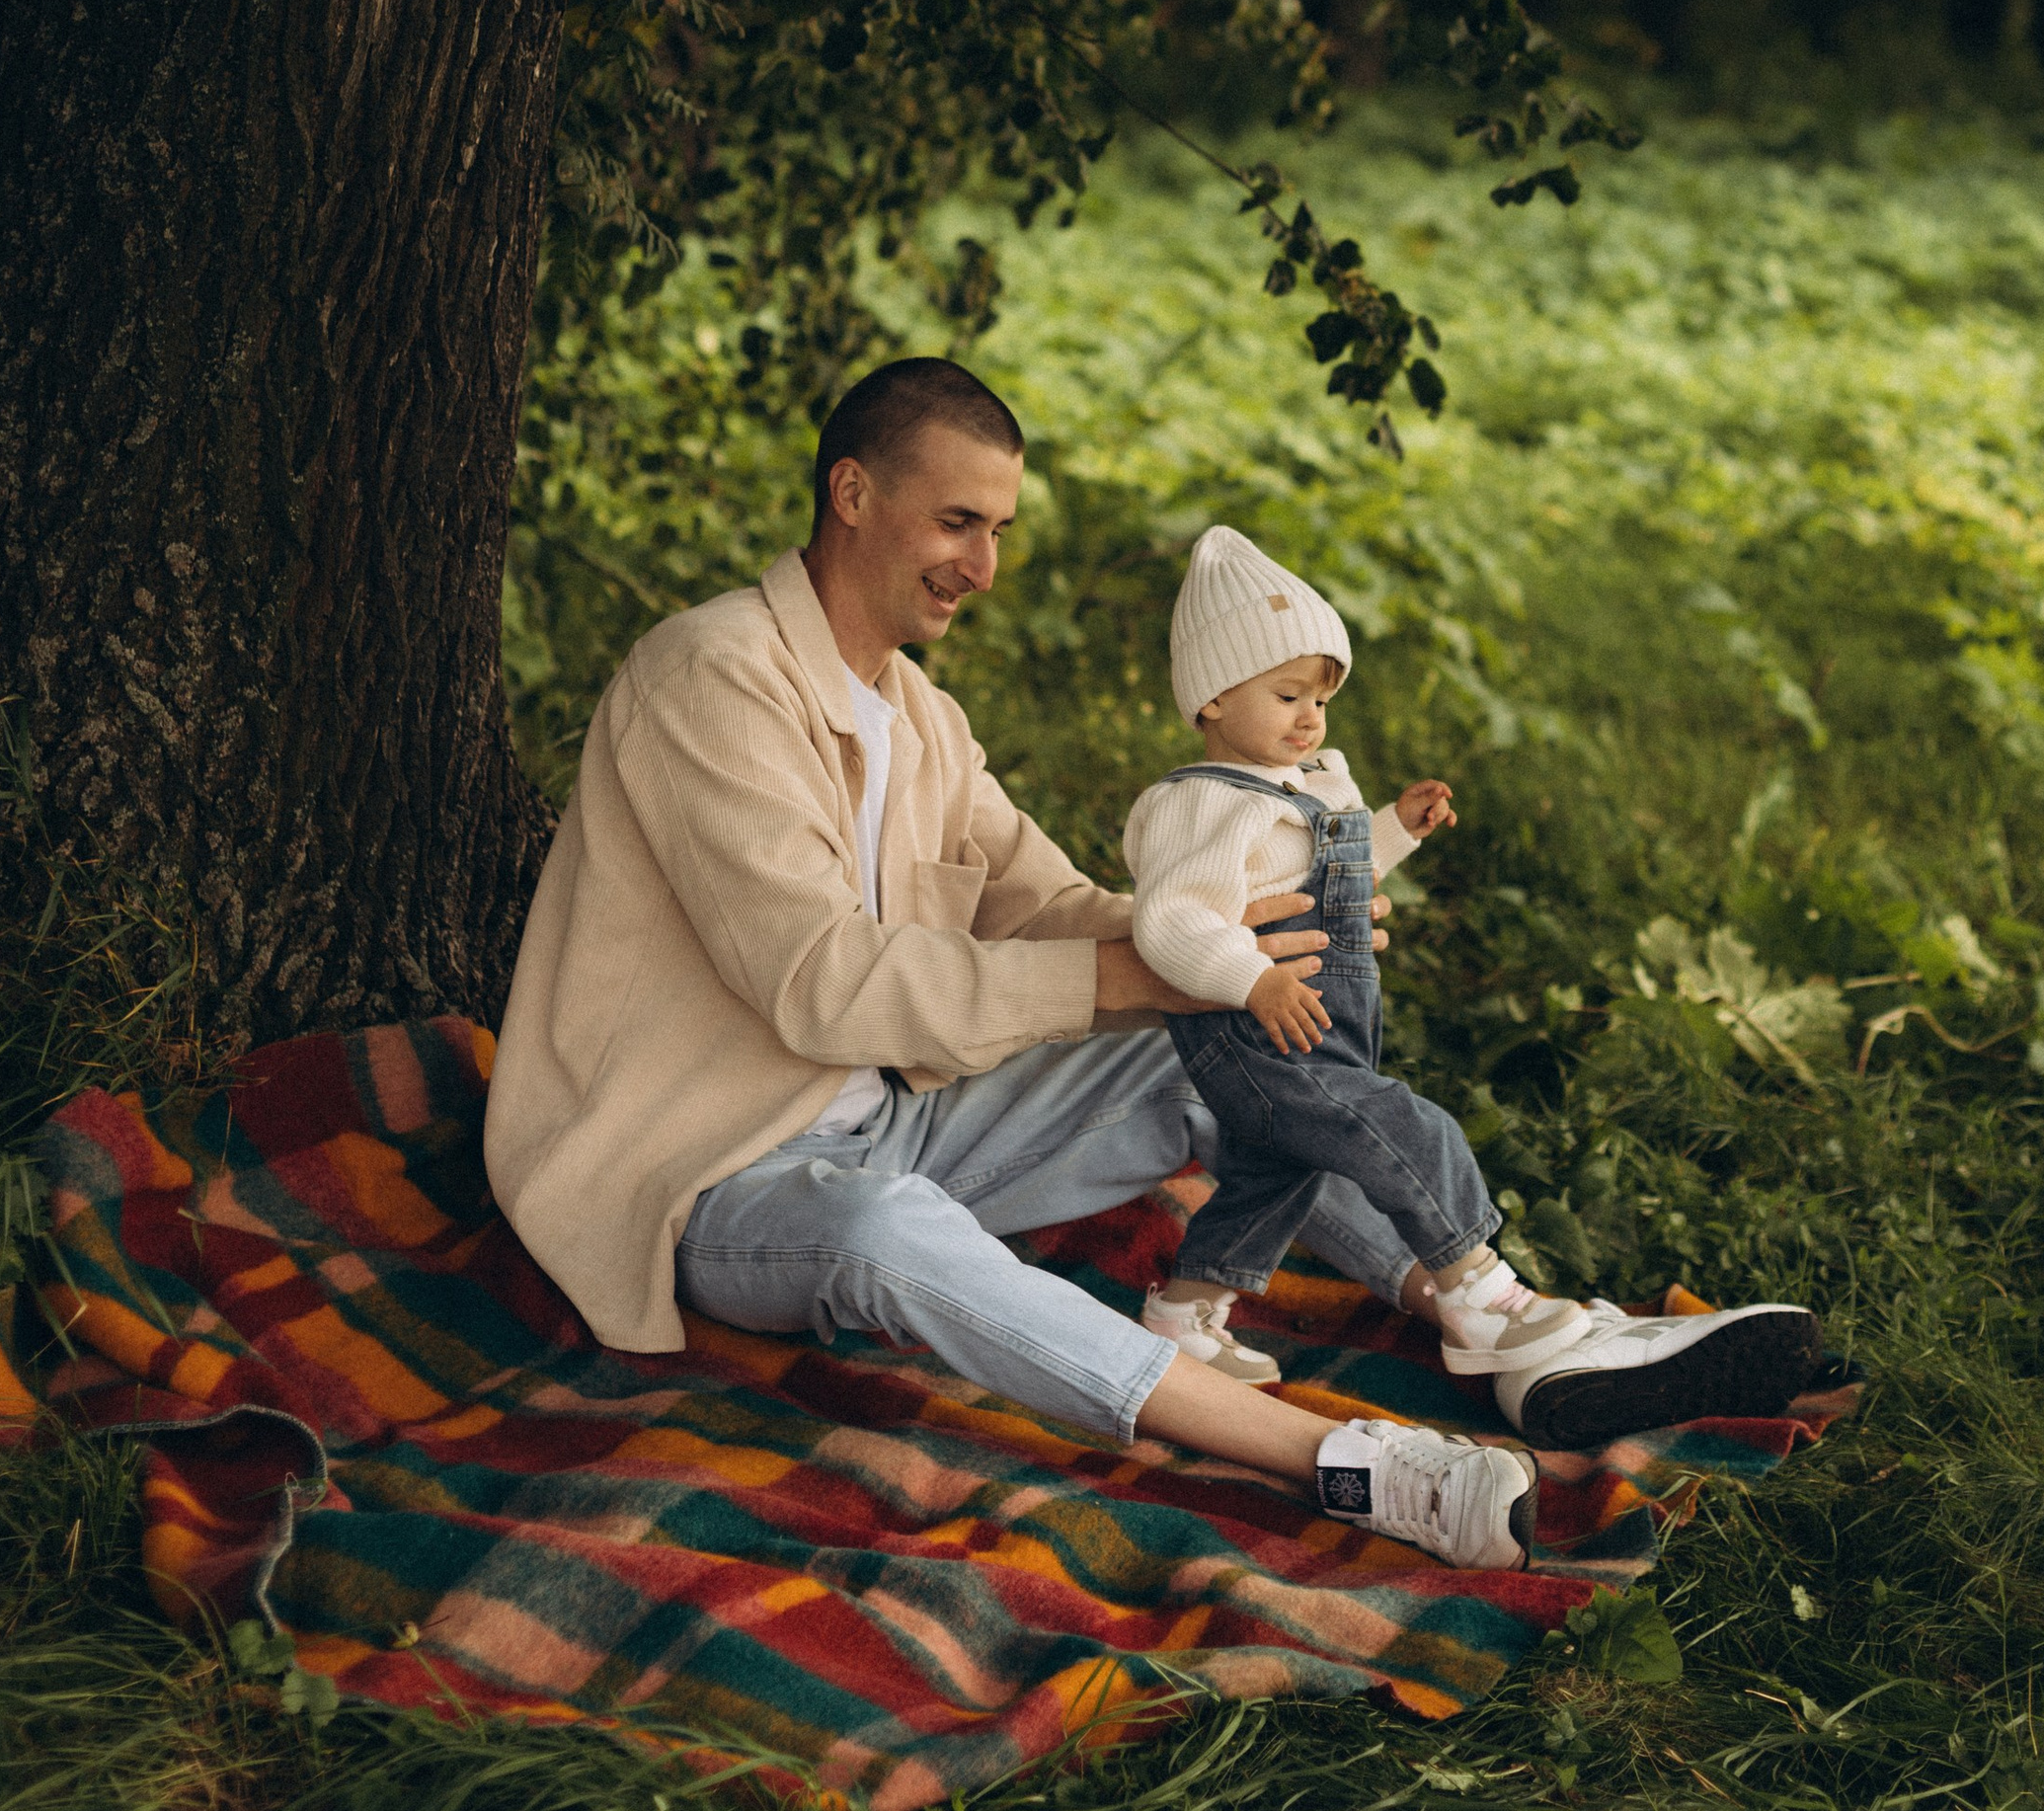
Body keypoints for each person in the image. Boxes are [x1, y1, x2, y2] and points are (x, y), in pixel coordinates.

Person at [486, 357, 1541, 1572]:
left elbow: (1053, 906)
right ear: (850, 493)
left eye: (997, 531)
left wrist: (1241, 940)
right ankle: (1344, 1464)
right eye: (955, 522)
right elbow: (823, 982)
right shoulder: (711, 676)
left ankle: (1496, 1315)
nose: (981, 567)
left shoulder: (924, 720)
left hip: (906, 1121)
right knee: (887, 1227)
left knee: (1220, 1038)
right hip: (708, 1173)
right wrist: (1150, 972)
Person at [1125, 526, 1837, 1445]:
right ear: (1213, 698)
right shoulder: (1202, 802)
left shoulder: (1303, 784)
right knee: (1405, 1128)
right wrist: (1250, 979)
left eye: (1322, 698)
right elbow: (1172, 922)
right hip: (1259, 1036)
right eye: (1288, 695)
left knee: (1279, 1175)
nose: (1311, 718)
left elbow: (1331, 881)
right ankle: (1479, 1291)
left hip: (1319, 1025)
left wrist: (1396, 830)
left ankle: (1185, 1317)